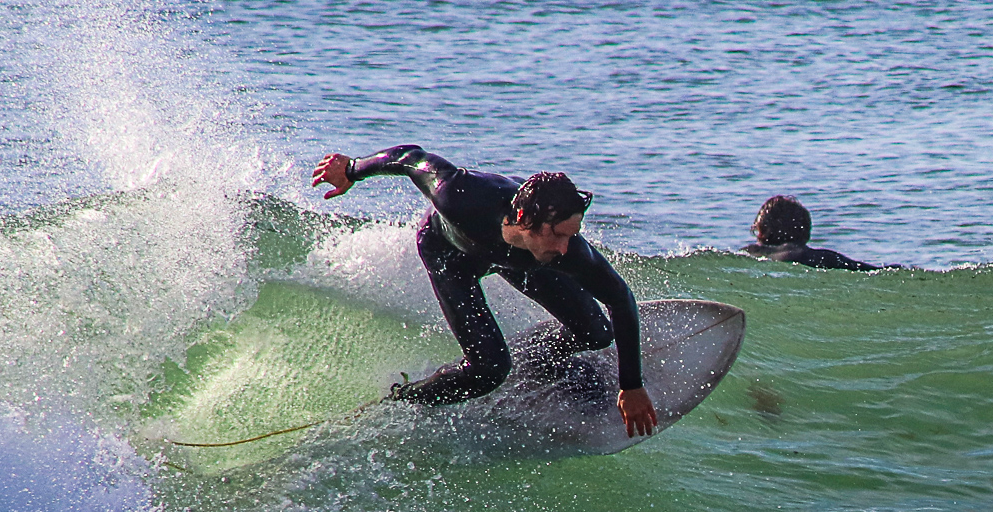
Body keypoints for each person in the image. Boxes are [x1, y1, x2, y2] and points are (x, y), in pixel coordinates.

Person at [311, 146, 658, 438]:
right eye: (558, 235)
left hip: (515, 258)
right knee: (488, 370)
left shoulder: (562, 250)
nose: (566, 247)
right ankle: (404, 400)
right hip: (449, 255)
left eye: (572, 234)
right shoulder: (460, 195)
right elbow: (410, 158)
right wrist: (352, 169)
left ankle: (536, 360)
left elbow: (620, 298)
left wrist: (631, 385)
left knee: (597, 333)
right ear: (523, 218)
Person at [743, 195, 882, 271]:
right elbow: (876, 272)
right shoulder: (822, 257)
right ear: (806, 234)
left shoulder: (746, 253)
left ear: (761, 231)